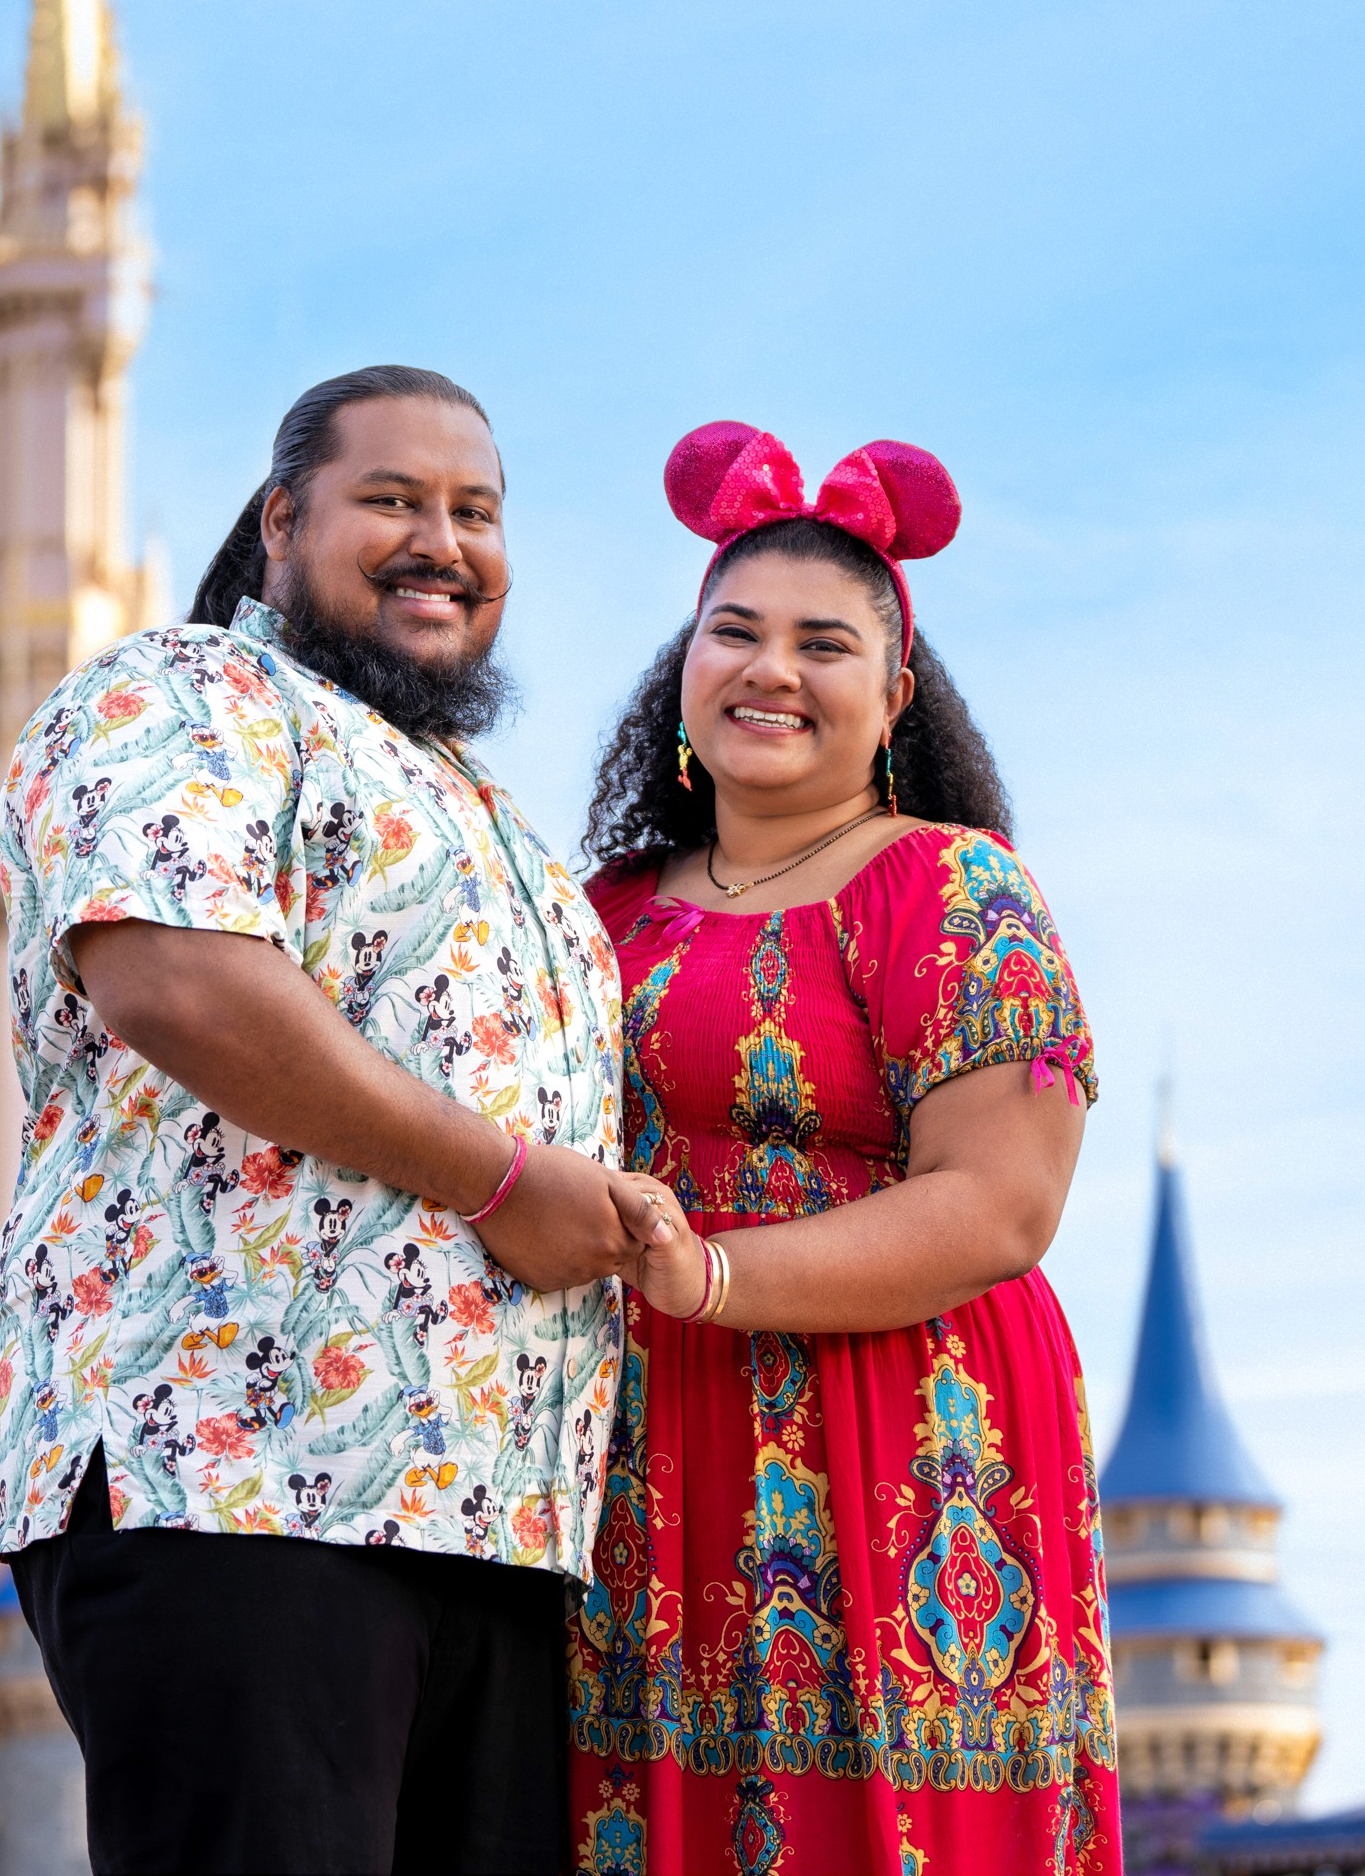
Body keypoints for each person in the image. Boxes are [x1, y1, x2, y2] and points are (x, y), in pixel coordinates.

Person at [0, 365, 678, 1875]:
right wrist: (503, 1180)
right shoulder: (182, 694)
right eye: (394, 500)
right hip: (243, 1484)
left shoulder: (497, 819)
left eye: (476, 512)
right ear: (284, 521)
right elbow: (178, 978)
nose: (444, 539)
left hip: (497, 1531)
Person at [565, 422, 1122, 1876]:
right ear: (680, 675)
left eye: (824, 644)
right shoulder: (597, 907)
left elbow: (1003, 1204)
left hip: (903, 1440)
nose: (771, 669)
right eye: (733, 632)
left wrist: (707, 1275)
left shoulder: (950, 888)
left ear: (895, 696)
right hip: (641, 1451)